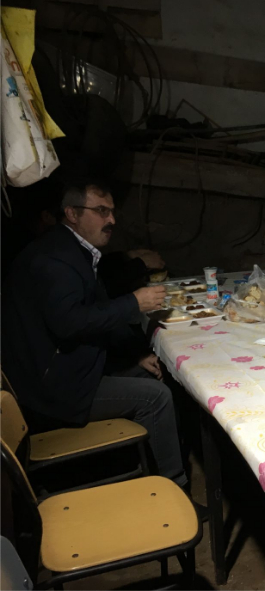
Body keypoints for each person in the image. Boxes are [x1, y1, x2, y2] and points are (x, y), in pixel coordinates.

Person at [1, 180, 187, 486]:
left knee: (158, 372)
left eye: (112, 212)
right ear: (72, 214)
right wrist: (133, 303)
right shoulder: (54, 259)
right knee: (158, 398)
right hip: (52, 389)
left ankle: (155, 462)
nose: (111, 219)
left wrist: (134, 355)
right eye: (101, 211)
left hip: (64, 369)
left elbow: (94, 313)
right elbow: (69, 322)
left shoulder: (73, 250)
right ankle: (173, 485)